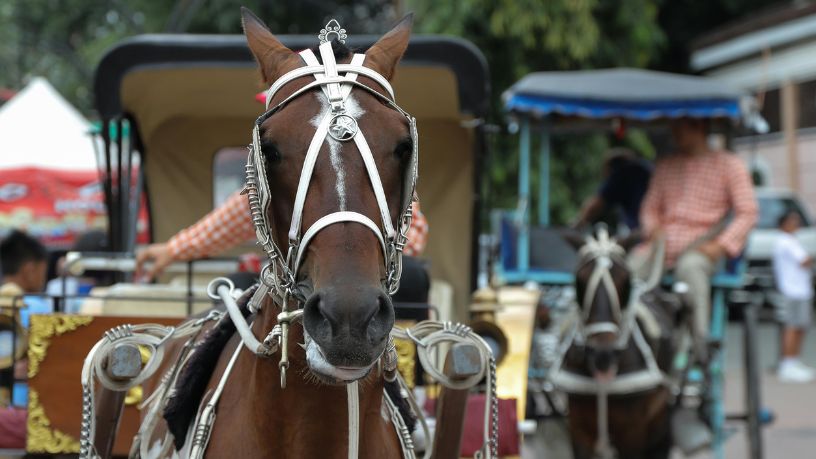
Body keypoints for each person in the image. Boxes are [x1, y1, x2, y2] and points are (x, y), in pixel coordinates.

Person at [639, 118, 758, 362]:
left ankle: (698, 347)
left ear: (699, 128)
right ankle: (625, 337)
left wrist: (721, 246)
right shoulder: (666, 165)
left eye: (680, 127)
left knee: (691, 269)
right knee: (626, 270)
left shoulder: (729, 165)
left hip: (700, 247)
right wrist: (652, 229)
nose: (675, 134)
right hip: (660, 247)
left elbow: (748, 212)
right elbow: (649, 208)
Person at [136, 190, 429, 279]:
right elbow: (226, 224)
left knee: (412, 277)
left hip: (359, 280)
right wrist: (173, 250)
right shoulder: (269, 187)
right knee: (235, 288)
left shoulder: (372, 171)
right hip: (294, 285)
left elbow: (413, 238)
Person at [772, 210, 815, 383]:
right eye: (792, 221)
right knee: (792, 327)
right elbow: (804, 261)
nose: (796, 224)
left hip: (800, 290)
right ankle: (787, 364)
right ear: (784, 223)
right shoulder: (785, 241)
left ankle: (793, 361)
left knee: (800, 327)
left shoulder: (791, 240)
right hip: (792, 291)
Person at [572, 147, 652, 230]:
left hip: (642, 229)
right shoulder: (645, 167)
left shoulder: (621, 173)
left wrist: (576, 225)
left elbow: (593, 207)